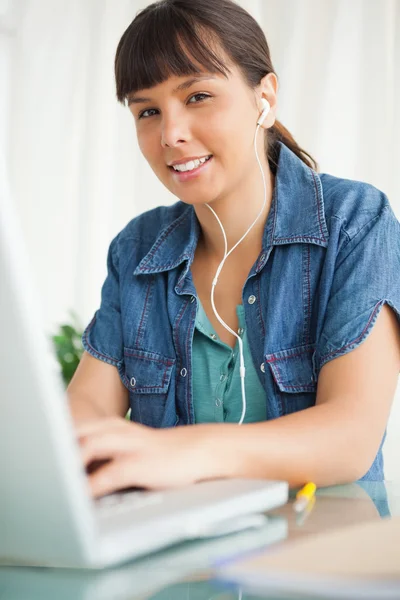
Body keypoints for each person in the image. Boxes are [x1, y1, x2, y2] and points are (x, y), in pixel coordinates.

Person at [68, 0, 400, 498]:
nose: (171, 134)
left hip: (319, 558)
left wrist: (185, 453)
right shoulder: (136, 250)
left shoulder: (353, 221)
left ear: (264, 97)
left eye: (198, 96)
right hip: (177, 559)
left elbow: (350, 437)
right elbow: (83, 419)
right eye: (148, 111)